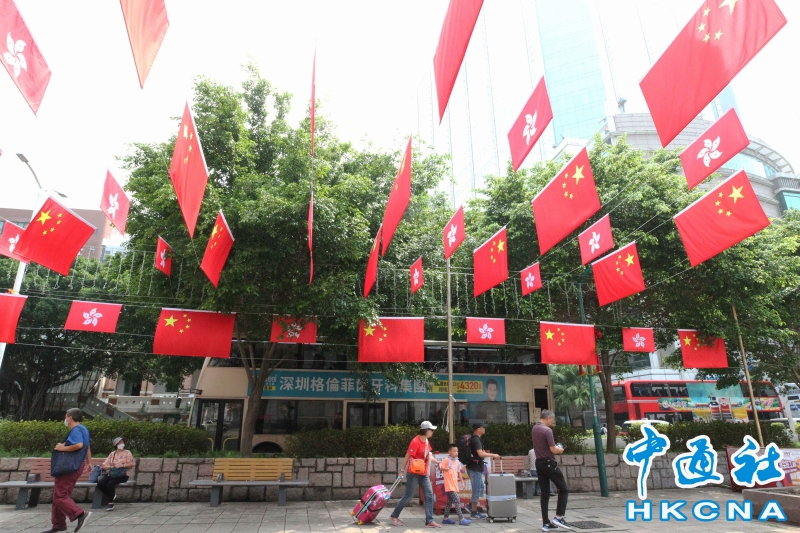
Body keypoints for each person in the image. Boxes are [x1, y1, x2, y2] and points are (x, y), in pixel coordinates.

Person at [44, 408, 92, 533]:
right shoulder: (83, 429)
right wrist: (88, 462)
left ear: (70, 418)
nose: (65, 419)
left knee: (60, 496)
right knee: (60, 495)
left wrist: (61, 448)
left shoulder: (76, 430)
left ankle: (80, 514)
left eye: (66, 416)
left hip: (69, 466)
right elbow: (87, 447)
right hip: (77, 465)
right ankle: (58, 524)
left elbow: (79, 445)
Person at [391, 421, 442, 528]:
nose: (432, 432)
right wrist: (402, 470)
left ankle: (429, 521)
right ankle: (394, 516)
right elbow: (407, 456)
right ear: (425, 430)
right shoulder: (415, 441)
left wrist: (438, 462)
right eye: (431, 430)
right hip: (413, 473)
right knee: (408, 496)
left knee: (429, 495)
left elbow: (428, 455)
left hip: (424, 473)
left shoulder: (426, 441)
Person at [531, 410, 570, 531]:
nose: (551, 422)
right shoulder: (547, 430)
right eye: (551, 420)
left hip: (539, 463)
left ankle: (546, 523)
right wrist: (560, 450)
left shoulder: (534, 429)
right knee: (563, 489)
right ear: (548, 418)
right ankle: (559, 517)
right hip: (549, 463)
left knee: (545, 493)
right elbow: (553, 450)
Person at [466, 423, 500, 520]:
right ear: (478, 429)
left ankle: (470, 505)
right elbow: (480, 454)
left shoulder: (476, 439)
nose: (484, 429)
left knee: (480, 487)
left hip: (475, 467)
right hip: (475, 468)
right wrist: (493, 455)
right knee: (477, 490)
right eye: (483, 427)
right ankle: (473, 513)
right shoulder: (476, 439)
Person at [97, 437, 135, 511]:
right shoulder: (112, 454)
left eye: (122, 442)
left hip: (123, 475)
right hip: (112, 474)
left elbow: (131, 464)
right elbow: (104, 465)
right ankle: (111, 495)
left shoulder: (127, 452)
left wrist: (122, 465)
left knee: (110, 483)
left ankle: (110, 503)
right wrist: (111, 466)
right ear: (116, 444)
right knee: (100, 484)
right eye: (119, 443)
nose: (121, 444)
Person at [440, 444, 471, 526]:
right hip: (449, 485)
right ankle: (461, 519)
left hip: (454, 485)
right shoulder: (446, 460)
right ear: (449, 452)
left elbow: (459, 472)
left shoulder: (457, 461)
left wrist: (463, 483)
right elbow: (440, 466)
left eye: (457, 451)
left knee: (449, 502)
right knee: (457, 500)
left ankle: (445, 519)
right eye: (454, 451)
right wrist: (444, 468)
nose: (456, 452)